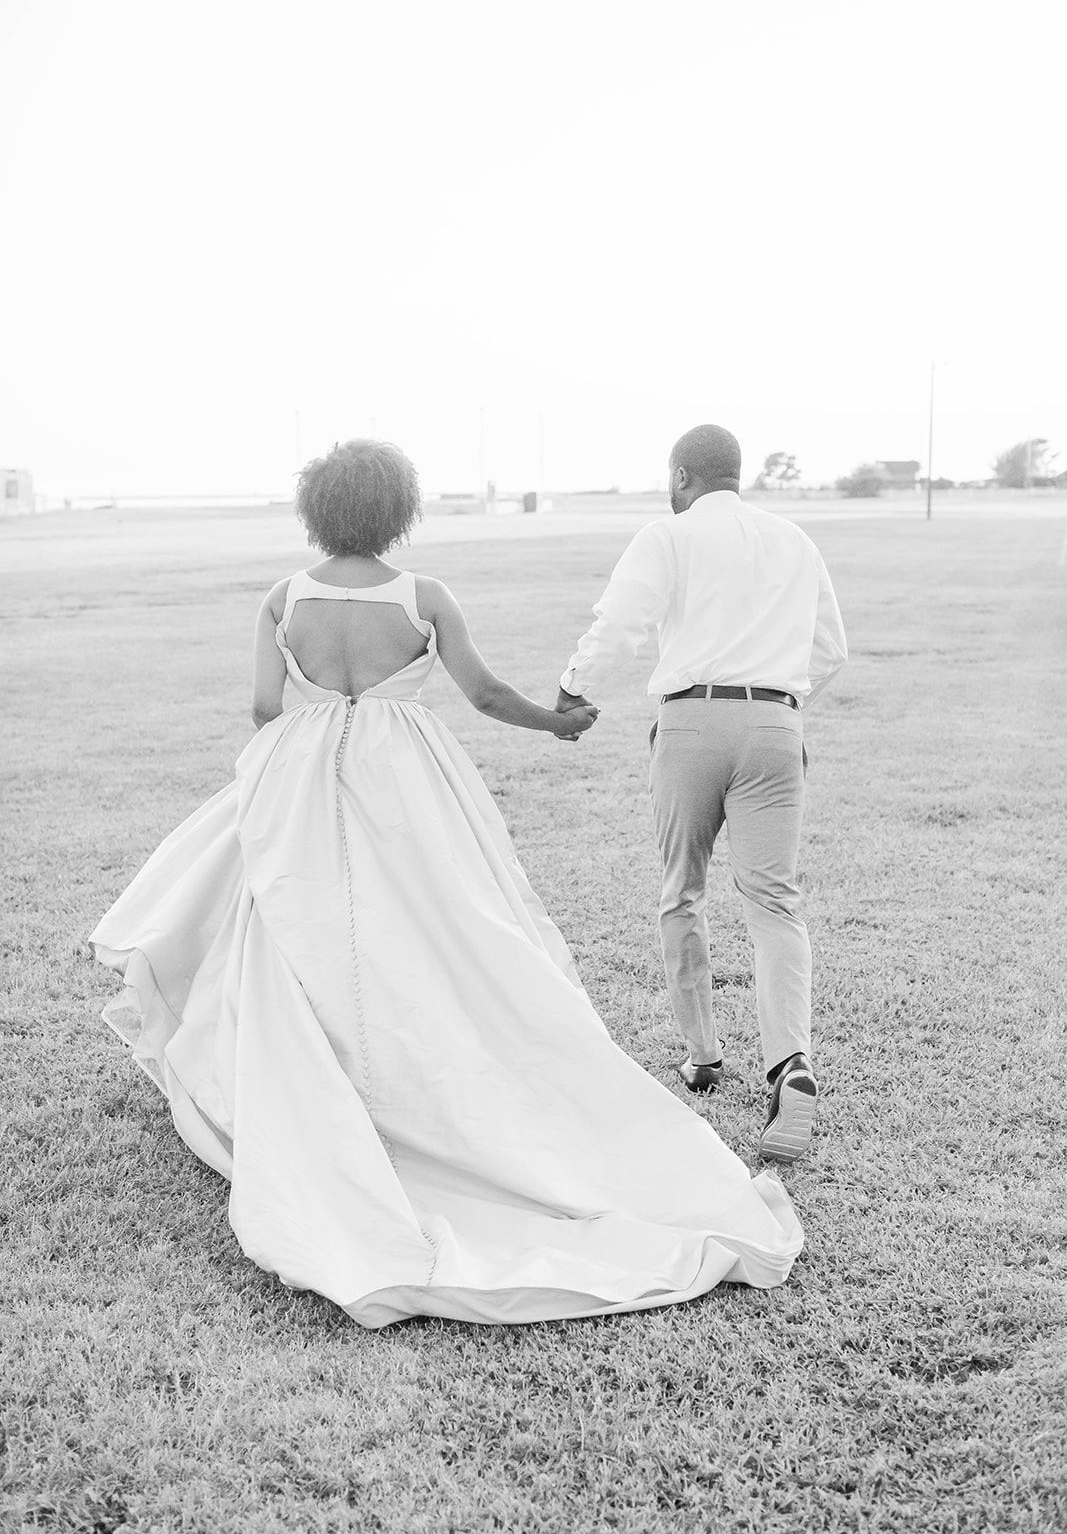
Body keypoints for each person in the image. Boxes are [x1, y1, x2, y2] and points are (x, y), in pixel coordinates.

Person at [91, 437, 802, 1330]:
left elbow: (265, 709)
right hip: (406, 776)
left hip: (304, 771)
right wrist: (558, 723)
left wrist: (309, 739)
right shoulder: (423, 596)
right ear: (397, 513)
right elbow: (487, 693)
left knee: (295, 921)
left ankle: (326, 1073)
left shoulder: (284, 596)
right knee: (439, 927)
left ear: (318, 511)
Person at [556, 424, 847, 1163]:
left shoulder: (669, 535)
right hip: (776, 723)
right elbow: (829, 651)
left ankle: (703, 1055)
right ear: (738, 475)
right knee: (774, 903)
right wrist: (775, 703)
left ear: (682, 476)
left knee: (681, 890)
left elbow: (619, 624)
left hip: (688, 722)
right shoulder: (793, 541)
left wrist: (570, 689)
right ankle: (791, 1066)